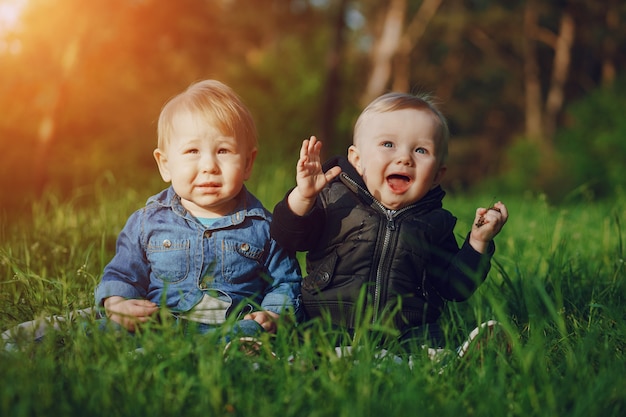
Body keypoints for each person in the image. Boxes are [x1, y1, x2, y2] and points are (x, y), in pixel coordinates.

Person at [3, 80, 301, 350]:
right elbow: (122, 273)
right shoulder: (149, 221)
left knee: (250, 335)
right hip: (156, 324)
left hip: (229, 329)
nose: (209, 165)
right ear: (165, 164)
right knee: (100, 330)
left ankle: (222, 355)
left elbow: (285, 281)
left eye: (223, 150)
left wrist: (275, 313)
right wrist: (118, 303)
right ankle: (25, 347)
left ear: (248, 163)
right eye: (192, 151)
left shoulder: (265, 226)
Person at [270, 91, 508, 350]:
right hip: (329, 320)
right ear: (358, 160)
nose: (404, 158)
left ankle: (448, 361)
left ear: (438, 174)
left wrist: (478, 243)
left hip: (406, 329)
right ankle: (294, 359)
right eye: (388, 145)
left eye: (421, 149)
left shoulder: (435, 223)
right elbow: (287, 237)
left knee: (429, 339)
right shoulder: (334, 199)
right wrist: (303, 197)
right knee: (310, 340)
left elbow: (455, 288)